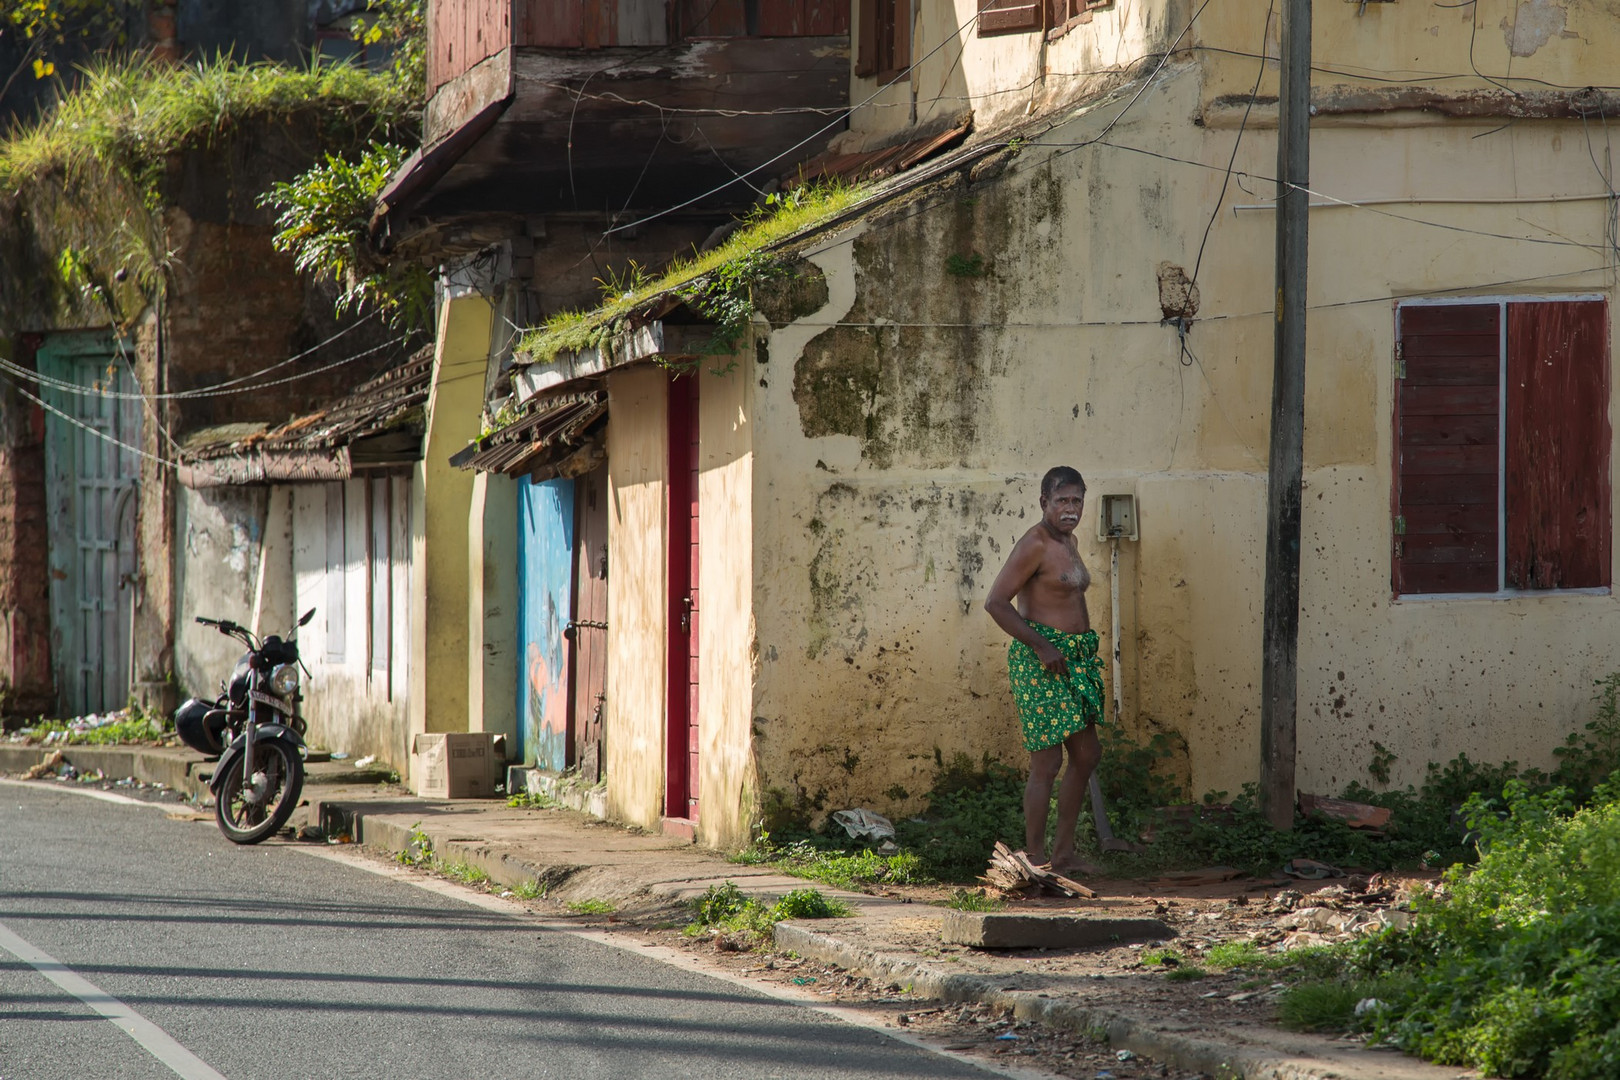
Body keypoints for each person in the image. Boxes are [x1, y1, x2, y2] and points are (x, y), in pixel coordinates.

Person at [983, 465, 1105, 872]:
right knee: (1047, 762)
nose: (1070, 509)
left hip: (1073, 660)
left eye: (1076, 501)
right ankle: (1035, 860)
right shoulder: (1034, 543)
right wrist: (1041, 646)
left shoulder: (1067, 540)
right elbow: (996, 602)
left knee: (1086, 754)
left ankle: (1063, 854)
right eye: (1062, 501)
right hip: (1042, 662)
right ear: (1043, 503)